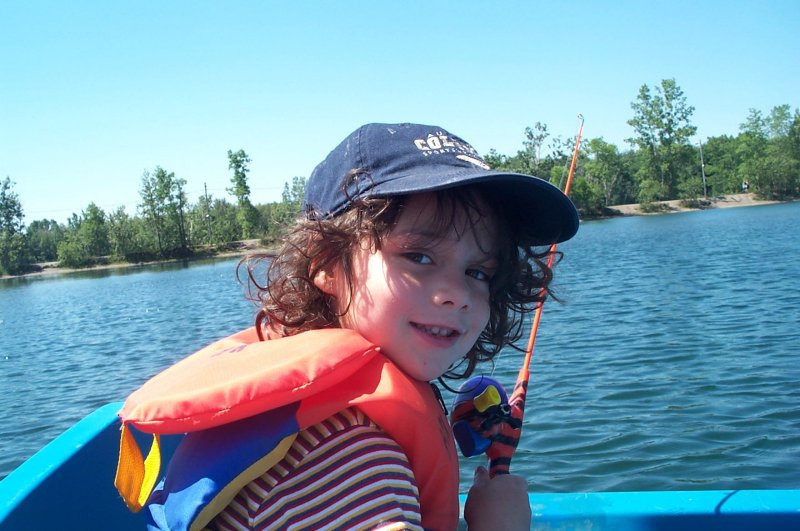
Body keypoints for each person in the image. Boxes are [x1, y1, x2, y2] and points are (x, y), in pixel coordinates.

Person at [120, 123, 579, 530]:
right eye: (419, 257)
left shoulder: (317, 415)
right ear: (327, 262)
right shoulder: (350, 463)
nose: (456, 293)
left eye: (477, 272)